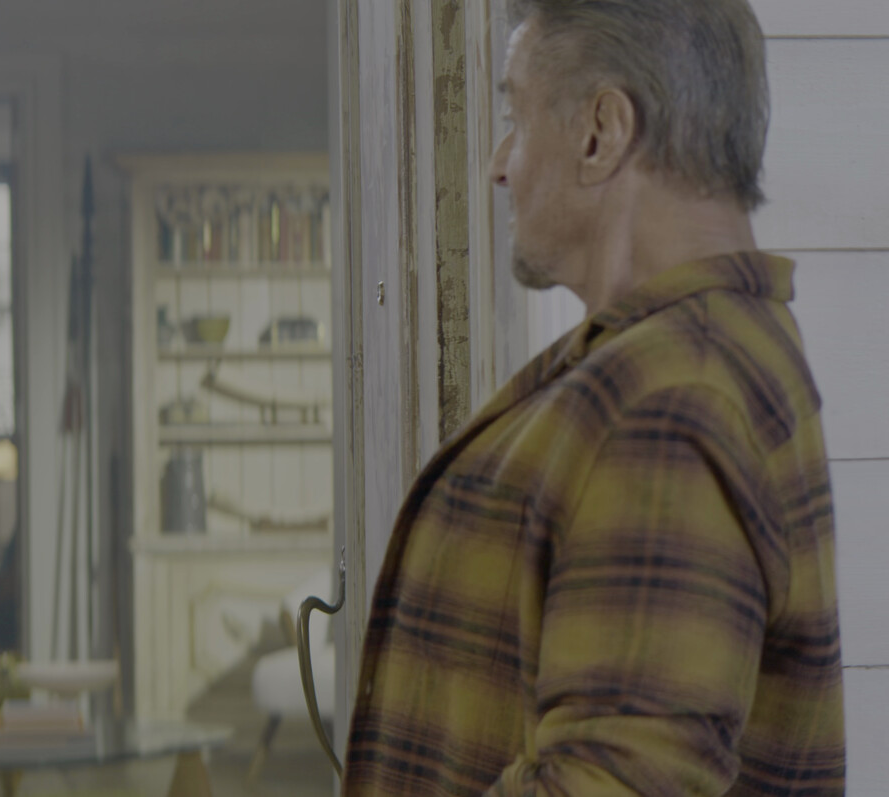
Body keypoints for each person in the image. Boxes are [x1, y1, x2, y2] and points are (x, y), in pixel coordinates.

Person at [344, 0, 843, 794]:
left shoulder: (672, 398)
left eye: (517, 118)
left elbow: (612, 781)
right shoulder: (673, 359)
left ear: (600, 133)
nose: (500, 165)